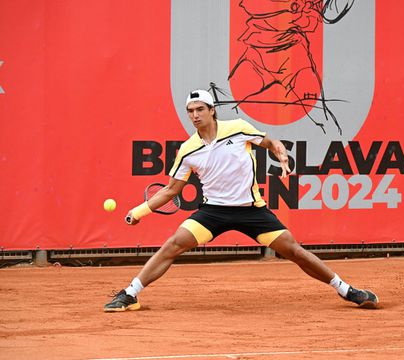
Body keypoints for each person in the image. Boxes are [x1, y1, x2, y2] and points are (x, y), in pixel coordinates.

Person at [104, 89, 378, 312]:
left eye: (200, 109)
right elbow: (171, 190)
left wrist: (280, 151)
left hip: (251, 211)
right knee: (173, 244)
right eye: (190, 111)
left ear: (212, 110)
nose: (195, 115)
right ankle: (131, 294)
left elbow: (269, 142)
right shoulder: (188, 150)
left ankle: (346, 290)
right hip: (213, 211)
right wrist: (138, 212)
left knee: (293, 250)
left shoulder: (237, 128)